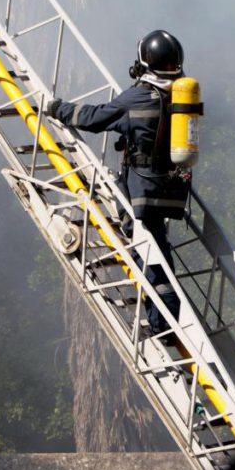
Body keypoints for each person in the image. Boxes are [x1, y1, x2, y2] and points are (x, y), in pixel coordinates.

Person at [46, 30, 191, 340]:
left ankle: (162, 325)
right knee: (158, 248)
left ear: (145, 61)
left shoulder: (141, 95)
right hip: (173, 187)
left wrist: (59, 109)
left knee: (146, 249)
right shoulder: (180, 93)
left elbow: (95, 117)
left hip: (144, 187)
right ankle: (165, 317)